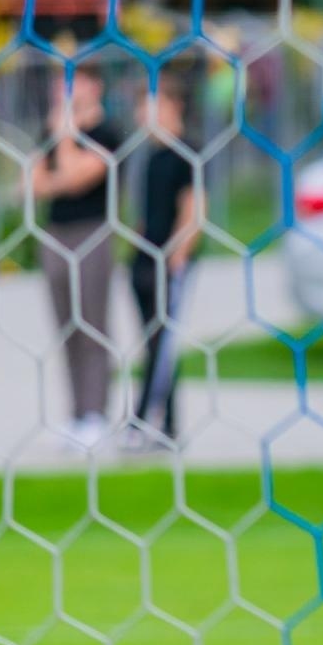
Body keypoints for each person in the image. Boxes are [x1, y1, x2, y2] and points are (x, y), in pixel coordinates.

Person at [31, 63, 122, 452]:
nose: (62, 89)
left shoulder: (107, 134)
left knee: (92, 325)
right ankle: (74, 414)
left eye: (72, 81)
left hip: (92, 234)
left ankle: (96, 414)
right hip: (55, 234)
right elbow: (34, 185)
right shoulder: (49, 131)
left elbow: (74, 175)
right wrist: (59, 158)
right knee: (66, 327)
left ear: (94, 85)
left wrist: (65, 135)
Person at [127, 75, 200, 449]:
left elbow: (193, 210)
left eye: (153, 105)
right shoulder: (151, 155)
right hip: (142, 258)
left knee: (162, 343)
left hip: (168, 262)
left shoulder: (188, 152)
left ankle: (139, 422)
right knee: (153, 341)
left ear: (174, 107)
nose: (144, 114)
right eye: (142, 106)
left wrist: (178, 256)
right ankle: (167, 426)